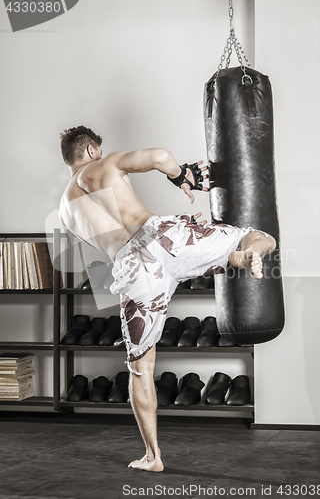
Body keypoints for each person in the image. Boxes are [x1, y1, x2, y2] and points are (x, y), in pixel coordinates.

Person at [59, 125, 276, 473]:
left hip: (132, 268)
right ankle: (242, 255)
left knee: (140, 369)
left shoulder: (65, 213)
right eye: (97, 150)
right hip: (164, 239)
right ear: (89, 151)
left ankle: (152, 456)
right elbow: (160, 157)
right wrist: (182, 175)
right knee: (259, 235)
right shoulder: (100, 166)